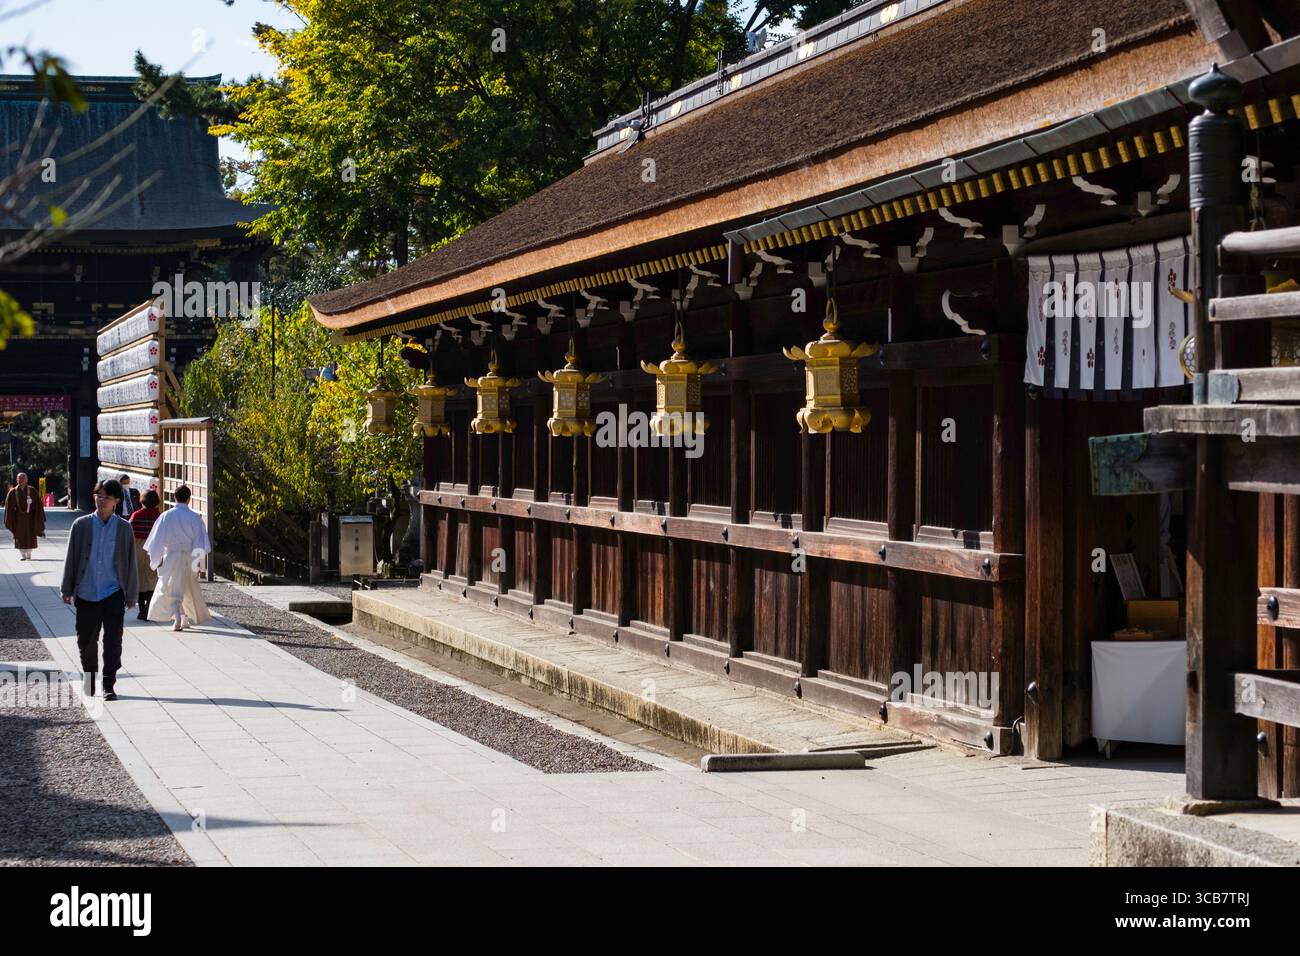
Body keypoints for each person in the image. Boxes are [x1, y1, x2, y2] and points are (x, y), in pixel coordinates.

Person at [61, 479, 138, 701]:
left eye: (106, 496)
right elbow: (71, 558)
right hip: (86, 592)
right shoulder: (81, 525)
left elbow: (131, 563)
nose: (101, 500)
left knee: (113, 640)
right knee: (86, 640)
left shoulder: (124, 528)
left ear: (116, 501)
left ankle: (108, 684)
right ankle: (90, 678)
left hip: (113, 592)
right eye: (98, 495)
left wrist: (131, 594)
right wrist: (67, 587)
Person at [144, 485, 211, 631]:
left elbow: (157, 540)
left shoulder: (166, 516)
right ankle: (182, 617)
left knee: (171, 586)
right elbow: (200, 542)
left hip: (171, 556)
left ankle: (179, 616)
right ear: (189, 499)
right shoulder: (195, 517)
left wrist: (156, 559)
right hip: (189, 555)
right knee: (187, 587)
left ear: (174, 497)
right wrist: (199, 564)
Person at [129, 489, 162, 621]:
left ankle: (141, 609)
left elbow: (129, 533)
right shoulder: (159, 516)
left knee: (140, 580)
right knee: (152, 579)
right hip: (153, 549)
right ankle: (149, 607)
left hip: (138, 548)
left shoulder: (135, 515)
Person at [4, 471, 45, 560]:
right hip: (18, 518)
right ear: (16, 480)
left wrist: (37, 516)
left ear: (27, 480)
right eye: (19, 478)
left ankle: (29, 553)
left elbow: (38, 505)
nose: (21, 480)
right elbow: (9, 507)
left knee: (30, 534)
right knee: (20, 535)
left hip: (30, 518)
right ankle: (22, 554)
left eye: (23, 478)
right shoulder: (12, 492)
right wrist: (10, 519)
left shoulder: (32, 490)